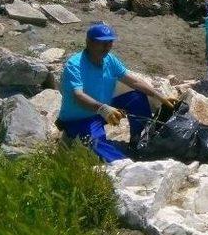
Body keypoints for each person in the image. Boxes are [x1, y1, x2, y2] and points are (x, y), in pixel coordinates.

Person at [57, 23, 176, 162]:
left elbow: (133, 81)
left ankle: (138, 141)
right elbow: (78, 96)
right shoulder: (75, 64)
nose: (107, 47)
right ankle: (122, 164)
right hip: (81, 118)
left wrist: (159, 96)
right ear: (89, 42)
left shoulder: (109, 59)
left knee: (136, 98)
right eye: (102, 43)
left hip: (104, 108)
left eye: (110, 43)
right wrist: (103, 109)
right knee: (96, 143)